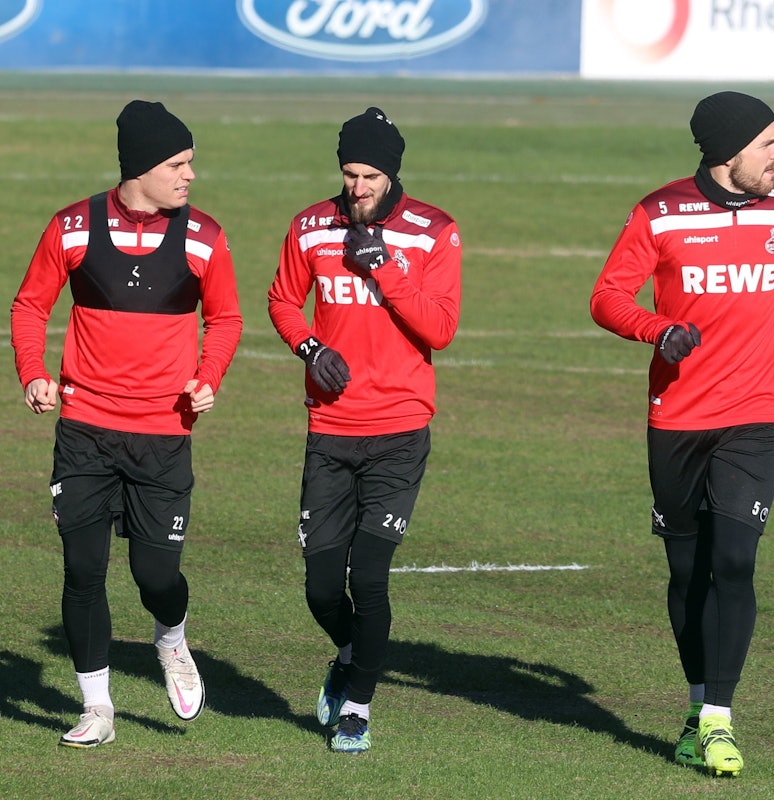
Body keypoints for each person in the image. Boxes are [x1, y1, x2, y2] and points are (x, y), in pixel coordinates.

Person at [590, 91, 774, 776]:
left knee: (735, 561)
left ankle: (720, 721)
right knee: (686, 569)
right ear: (729, 152)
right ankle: (697, 708)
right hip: (678, 416)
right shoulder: (660, 212)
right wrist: (657, 330)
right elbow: (608, 295)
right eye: (768, 144)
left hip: (757, 412)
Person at [10, 100, 243, 748]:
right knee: (83, 570)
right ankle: (97, 710)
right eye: (178, 163)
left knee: (155, 577)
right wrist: (33, 372)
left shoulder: (204, 238)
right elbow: (31, 305)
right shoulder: (73, 228)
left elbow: (224, 320)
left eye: (190, 162)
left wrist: (208, 378)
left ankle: (170, 637)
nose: (189, 175)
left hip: (163, 437)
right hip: (85, 429)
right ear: (141, 167)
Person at [267, 107, 462, 754]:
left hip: (399, 432)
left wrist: (387, 269)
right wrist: (309, 348)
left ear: (392, 172)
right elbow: (281, 301)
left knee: (369, 577)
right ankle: (351, 655)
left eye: (370, 175)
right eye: (349, 173)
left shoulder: (433, 231)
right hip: (330, 427)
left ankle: (356, 708)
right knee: (321, 586)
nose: (357, 187)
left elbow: (439, 328)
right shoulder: (309, 226)